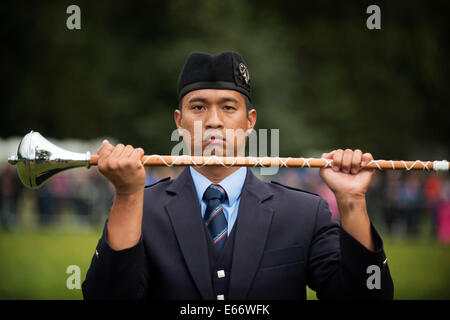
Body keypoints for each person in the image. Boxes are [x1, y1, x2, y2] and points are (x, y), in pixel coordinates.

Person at [82, 51, 393, 300]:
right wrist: (126, 197)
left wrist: (352, 202)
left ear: (249, 121)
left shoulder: (304, 213)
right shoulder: (140, 208)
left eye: (229, 107)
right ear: (180, 121)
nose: (214, 121)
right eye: (199, 107)